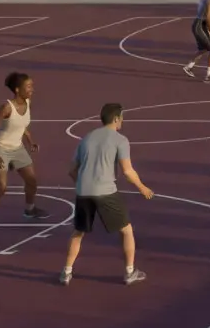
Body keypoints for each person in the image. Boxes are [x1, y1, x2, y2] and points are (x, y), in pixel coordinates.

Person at [59, 103, 155, 286]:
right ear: (116, 118)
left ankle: (66, 271)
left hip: (83, 191)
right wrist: (142, 187)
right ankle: (129, 272)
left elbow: (72, 170)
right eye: (122, 118)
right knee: (126, 230)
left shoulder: (86, 138)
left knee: (78, 232)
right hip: (105, 191)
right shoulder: (120, 140)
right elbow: (127, 171)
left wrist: (82, 185)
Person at [0, 71, 48, 243]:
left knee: (31, 180)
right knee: (0, 188)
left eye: (32, 86)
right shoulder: (7, 108)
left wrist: (30, 141)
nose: (32, 89)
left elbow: (22, 125)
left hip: (17, 147)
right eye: (28, 86)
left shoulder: (28, 103)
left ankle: (29, 209)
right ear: (17, 89)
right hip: (0, 148)